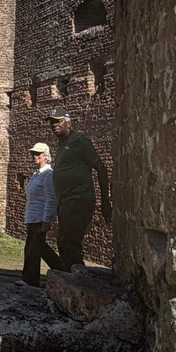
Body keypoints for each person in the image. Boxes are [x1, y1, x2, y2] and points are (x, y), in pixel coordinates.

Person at [45, 106, 111, 272]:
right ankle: (72, 278)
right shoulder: (62, 145)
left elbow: (101, 169)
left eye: (58, 121)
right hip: (66, 202)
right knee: (65, 242)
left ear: (68, 122)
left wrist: (105, 202)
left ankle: (78, 279)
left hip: (79, 199)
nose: (54, 125)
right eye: (52, 122)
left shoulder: (79, 141)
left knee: (68, 242)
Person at [20, 141, 56, 286]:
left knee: (34, 248)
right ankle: (62, 270)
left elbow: (51, 198)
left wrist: (47, 219)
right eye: (33, 154)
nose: (35, 156)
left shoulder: (48, 174)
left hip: (39, 217)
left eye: (38, 154)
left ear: (45, 155)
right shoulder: (36, 174)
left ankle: (30, 279)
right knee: (37, 247)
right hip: (32, 215)